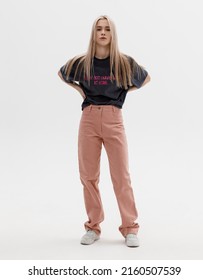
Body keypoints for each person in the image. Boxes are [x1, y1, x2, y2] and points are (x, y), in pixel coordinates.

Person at [58, 15, 151, 247]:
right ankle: (93, 226)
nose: (102, 32)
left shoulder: (123, 62)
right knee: (88, 176)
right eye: (99, 29)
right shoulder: (82, 63)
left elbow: (146, 78)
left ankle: (130, 228)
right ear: (93, 33)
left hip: (113, 118)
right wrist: (80, 91)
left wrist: (123, 93)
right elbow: (61, 73)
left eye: (107, 29)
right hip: (88, 119)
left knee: (121, 176)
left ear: (112, 34)